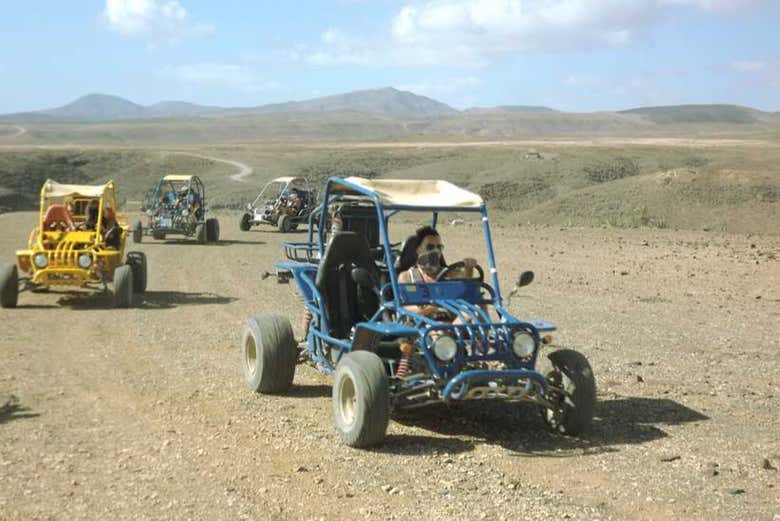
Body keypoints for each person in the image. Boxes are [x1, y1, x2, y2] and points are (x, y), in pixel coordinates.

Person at [397, 225, 478, 321]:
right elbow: (408, 309)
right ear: (418, 250)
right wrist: (433, 306)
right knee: (439, 327)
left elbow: (466, 281)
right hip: (422, 324)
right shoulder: (407, 277)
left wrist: (469, 267)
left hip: (450, 321)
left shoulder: (448, 273)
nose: (436, 251)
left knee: (477, 309)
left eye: (439, 247)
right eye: (430, 247)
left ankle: (490, 334)